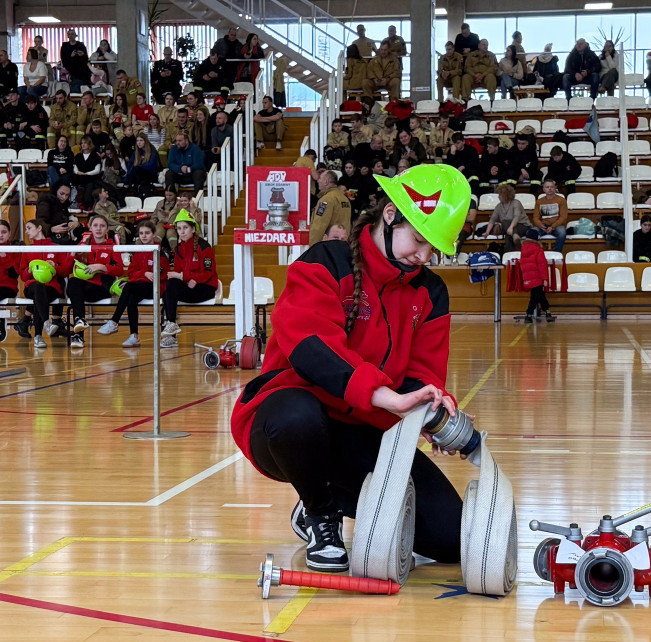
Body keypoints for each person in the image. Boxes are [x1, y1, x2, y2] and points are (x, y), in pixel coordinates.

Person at [229, 164, 471, 572]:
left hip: (362, 428)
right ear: (390, 215)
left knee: (453, 540)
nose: (424, 256)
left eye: (434, 248)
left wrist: (429, 410)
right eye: (418, 239)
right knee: (295, 416)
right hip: (288, 424)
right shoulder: (324, 262)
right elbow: (312, 350)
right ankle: (321, 513)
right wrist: (384, 395)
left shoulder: (432, 293)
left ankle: (335, 496)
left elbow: (422, 373)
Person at [97, 219, 169, 347]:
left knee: (129, 286)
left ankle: (114, 321)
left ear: (153, 234)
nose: (144, 236)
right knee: (131, 297)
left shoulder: (160, 251)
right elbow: (131, 272)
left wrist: (143, 274)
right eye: (141, 233)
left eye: (147, 233)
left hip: (156, 288)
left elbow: (157, 276)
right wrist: (144, 273)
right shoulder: (138, 250)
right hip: (139, 286)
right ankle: (134, 336)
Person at [160, 209, 217, 347]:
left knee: (171, 286)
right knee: (169, 286)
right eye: (179, 228)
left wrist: (190, 277)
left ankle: (172, 330)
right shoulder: (179, 249)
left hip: (205, 288)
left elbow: (208, 273)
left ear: (193, 229)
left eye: (185, 228)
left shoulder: (204, 247)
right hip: (189, 286)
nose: (182, 231)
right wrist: (184, 278)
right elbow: (180, 273)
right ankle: (172, 326)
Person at [65, 215, 124, 347]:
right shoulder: (82, 246)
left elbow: (120, 269)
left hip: (102, 287)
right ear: (90, 227)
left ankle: (78, 333)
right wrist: (72, 254)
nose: (98, 229)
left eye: (102, 226)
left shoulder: (112, 246)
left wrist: (102, 267)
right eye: (95, 225)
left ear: (107, 229)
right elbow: (66, 269)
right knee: (73, 283)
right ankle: (79, 323)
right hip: (84, 288)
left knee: (77, 291)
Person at [19, 219, 73, 348]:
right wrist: (29, 270)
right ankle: (46, 325)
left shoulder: (56, 248)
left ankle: (39, 335)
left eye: (29, 228)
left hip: (51, 288)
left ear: (39, 228)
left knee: (40, 294)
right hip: (31, 287)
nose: (26, 232)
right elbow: (23, 277)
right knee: (38, 288)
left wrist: (55, 267)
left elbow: (65, 272)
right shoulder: (28, 250)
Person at [519, 228, 556, 324]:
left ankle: (548, 312)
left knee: (539, 295)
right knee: (535, 296)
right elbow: (542, 265)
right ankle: (529, 314)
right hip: (537, 277)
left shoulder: (523, 250)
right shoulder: (538, 250)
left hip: (527, 277)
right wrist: (545, 278)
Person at [309, 170, 353, 245]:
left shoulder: (326, 200)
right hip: (343, 243)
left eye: (320, 178)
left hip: (329, 246)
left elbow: (319, 226)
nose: (318, 181)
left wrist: (311, 248)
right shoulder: (345, 199)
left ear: (326, 182)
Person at [485, 182, 530, 251]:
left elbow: (516, 217)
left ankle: (508, 254)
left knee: (507, 230)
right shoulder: (499, 206)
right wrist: (487, 232)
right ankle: (515, 244)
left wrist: (511, 228)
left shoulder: (516, 203)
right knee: (508, 233)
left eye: (500, 195)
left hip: (523, 226)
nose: (498, 197)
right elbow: (492, 219)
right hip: (509, 229)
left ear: (506, 195)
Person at [532, 179, 567, 253]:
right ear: (543, 189)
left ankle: (556, 253)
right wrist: (541, 225)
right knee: (532, 232)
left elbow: (563, 217)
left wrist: (553, 227)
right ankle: (537, 254)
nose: (550, 189)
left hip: (557, 226)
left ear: (555, 188)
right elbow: (535, 217)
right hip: (543, 226)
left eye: (551, 187)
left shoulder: (561, 200)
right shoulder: (539, 201)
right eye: (547, 187)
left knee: (562, 232)